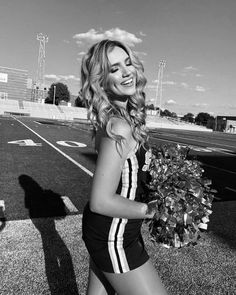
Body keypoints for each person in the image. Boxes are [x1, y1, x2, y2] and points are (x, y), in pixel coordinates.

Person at [81, 39, 168, 295]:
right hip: (112, 234)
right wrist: (154, 211)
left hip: (114, 228)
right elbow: (100, 200)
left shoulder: (122, 119)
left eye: (127, 63)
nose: (126, 71)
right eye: (114, 68)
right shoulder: (118, 126)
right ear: (101, 80)